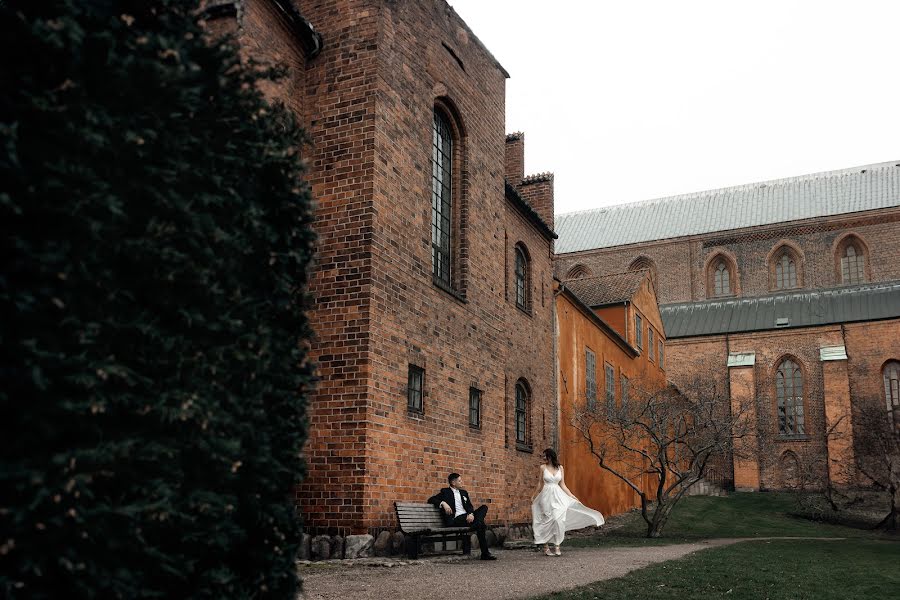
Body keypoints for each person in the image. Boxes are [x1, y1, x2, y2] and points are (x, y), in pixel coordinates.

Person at [531, 448, 604, 556]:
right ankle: (546, 547)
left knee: (558, 519)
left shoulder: (560, 468)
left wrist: (572, 495)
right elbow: (540, 484)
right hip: (546, 497)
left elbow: (563, 484)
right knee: (545, 520)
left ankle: (557, 546)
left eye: (544, 456)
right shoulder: (542, 467)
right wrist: (534, 495)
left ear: (550, 456)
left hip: (558, 496)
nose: (543, 458)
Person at [428, 472, 497, 560]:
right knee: (481, 525)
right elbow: (431, 499)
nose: (462, 482)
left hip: (467, 518)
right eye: (460, 481)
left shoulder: (464, 493)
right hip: (455, 519)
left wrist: (471, 514)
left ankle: (477, 524)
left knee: (484, 507)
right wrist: (443, 503)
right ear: (453, 483)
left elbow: (469, 506)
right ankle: (485, 553)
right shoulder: (445, 492)